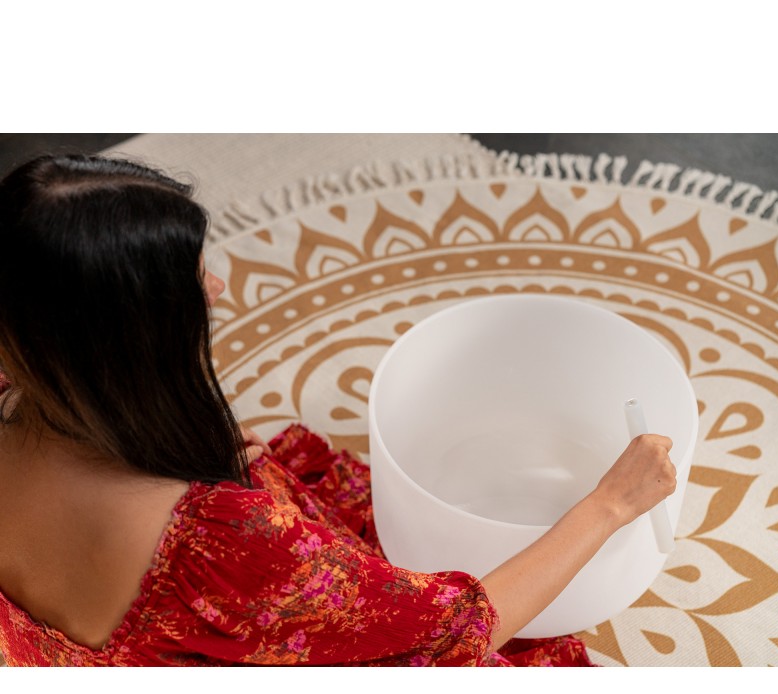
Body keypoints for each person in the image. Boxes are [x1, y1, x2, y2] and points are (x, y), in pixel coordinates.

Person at [0, 154, 677, 667]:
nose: (217, 285)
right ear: (129, 338)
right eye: (190, 280)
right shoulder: (226, 543)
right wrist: (610, 504)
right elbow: (450, 641)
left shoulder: (22, 378)